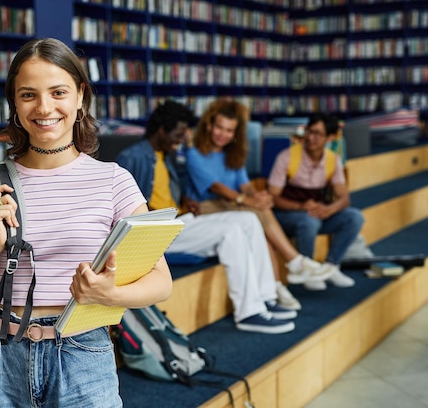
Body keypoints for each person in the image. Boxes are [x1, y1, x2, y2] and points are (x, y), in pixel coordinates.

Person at [0, 38, 173, 408]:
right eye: (28, 95)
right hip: (0, 355)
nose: (44, 108)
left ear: (80, 96)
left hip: (83, 351)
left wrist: (109, 295)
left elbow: (161, 282)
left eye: (58, 92)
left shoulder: (113, 180)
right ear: (14, 102)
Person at [116, 99, 298, 335]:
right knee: (231, 231)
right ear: (162, 131)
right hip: (158, 235)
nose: (181, 141)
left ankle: (266, 297)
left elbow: (164, 194)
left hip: (180, 221)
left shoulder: (164, 155)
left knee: (250, 220)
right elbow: (125, 209)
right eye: (178, 135)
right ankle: (249, 312)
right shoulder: (133, 157)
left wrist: (184, 202)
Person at [185, 98, 335, 306]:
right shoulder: (194, 153)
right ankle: (295, 262)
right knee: (256, 213)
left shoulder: (233, 154)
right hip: (206, 208)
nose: (223, 134)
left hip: (231, 206)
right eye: (219, 127)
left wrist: (257, 197)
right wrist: (247, 200)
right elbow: (216, 187)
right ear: (209, 125)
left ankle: (276, 285)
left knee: (260, 222)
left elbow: (244, 184)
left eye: (229, 130)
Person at [267, 112, 365, 290]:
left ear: (331, 137)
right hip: (287, 215)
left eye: (318, 134)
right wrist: (300, 206)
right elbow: (272, 197)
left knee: (355, 217)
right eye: (310, 132)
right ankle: (308, 268)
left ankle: (331, 266)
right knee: (309, 221)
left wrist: (330, 210)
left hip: (317, 213)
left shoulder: (332, 160)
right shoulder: (286, 157)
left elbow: (344, 198)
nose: (311, 138)